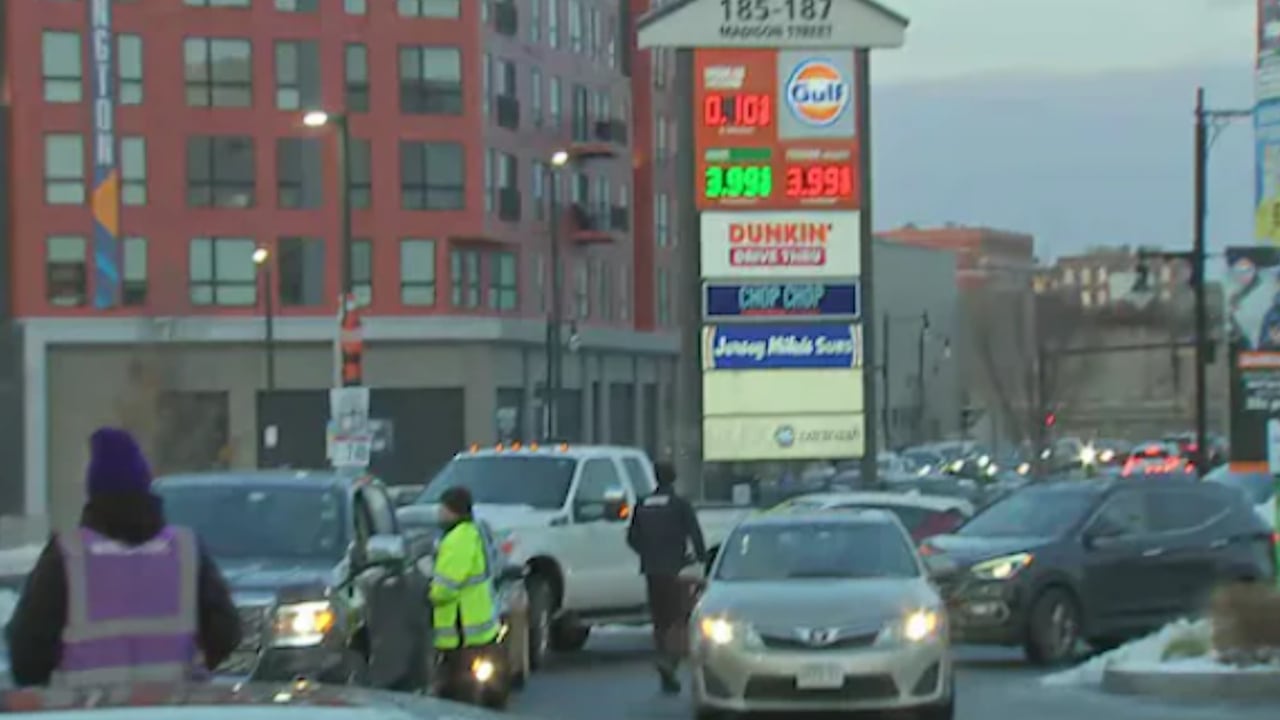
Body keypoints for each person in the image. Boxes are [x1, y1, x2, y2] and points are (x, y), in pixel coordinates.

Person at [6, 427, 242, 688]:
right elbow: (226, 634)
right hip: (173, 703)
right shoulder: (186, 550)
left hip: (85, 704)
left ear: (93, 491)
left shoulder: (68, 555)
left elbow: (27, 653)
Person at [626, 461, 706, 694]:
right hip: (676, 570)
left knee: (659, 619)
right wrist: (700, 557)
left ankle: (663, 661)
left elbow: (631, 537)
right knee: (678, 619)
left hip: (651, 570)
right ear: (674, 478)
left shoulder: (643, 504)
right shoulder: (680, 505)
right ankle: (670, 662)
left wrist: (647, 552)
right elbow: (695, 533)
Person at [430, 486, 501, 694]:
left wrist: (430, 595)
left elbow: (445, 588)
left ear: (452, 510)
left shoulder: (457, 539)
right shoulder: (473, 532)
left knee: (458, 691)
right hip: (476, 630)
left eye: (442, 509)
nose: (439, 513)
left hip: (461, 632)